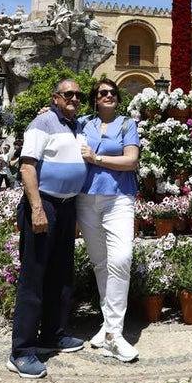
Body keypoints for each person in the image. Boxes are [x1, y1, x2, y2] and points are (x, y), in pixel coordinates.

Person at [7, 80, 87, 379]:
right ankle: (21, 351)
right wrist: (37, 209)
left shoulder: (78, 126)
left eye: (78, 94)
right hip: (45, 205)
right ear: (56, 98)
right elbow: (27, 167)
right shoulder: (41, 123)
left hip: (67, 207)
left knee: (60, 274)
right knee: (34, 278)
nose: (74, 98)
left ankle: (52, 335)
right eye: (68, 94)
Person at [77, 78, 140, 362]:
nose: (109, 95)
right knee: (100, 263)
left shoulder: (127, 124)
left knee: (121, 259)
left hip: (119, 198)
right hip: (86, 198)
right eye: (103, 92)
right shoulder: (82, 123)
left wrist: (96, 159)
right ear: (95, 97)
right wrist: (47, 113)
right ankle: (108, 324)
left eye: (113, 92)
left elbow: (131, 161)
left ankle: (114, 335)